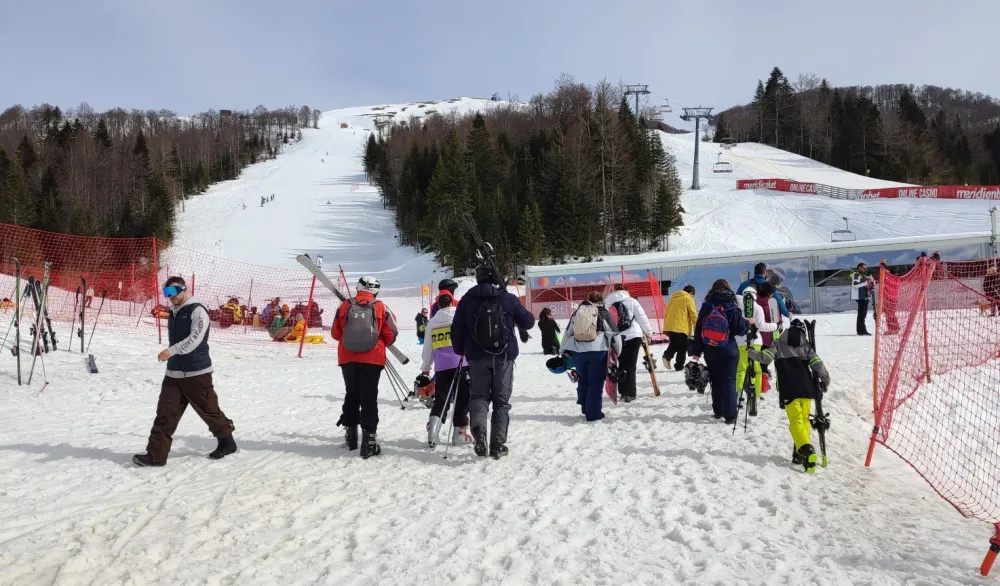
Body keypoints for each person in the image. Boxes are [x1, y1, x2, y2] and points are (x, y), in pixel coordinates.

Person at [133, 277, 236, 467]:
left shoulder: (197, 310)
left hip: (197, 372)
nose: (169, 297)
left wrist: (170, 351)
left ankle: (227, 442)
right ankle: (156, 456)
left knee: (209, 411)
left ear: (183, 289)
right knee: (165, 413)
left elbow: (195, 339)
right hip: (174, 373)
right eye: (166, 293)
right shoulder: (174, 311)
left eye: (172, 292)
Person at [451, 265, 535, 459]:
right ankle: (497, 443)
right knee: (501, 401)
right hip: (504, 356)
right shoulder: (507, 298)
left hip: (476, 357)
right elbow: (529, 322)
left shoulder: (466, 301)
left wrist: (460, 350)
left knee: (479, 396)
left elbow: (456, 330)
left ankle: (479, 431)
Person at [747, 319, 830, 474]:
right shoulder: (806, 346)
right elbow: (818, 365)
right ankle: (802, 455)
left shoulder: (777, 343)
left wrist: (750, 352)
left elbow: (765, 358)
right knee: (804, 420)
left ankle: (806, 449)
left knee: (795, 421)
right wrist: (825, 380)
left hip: (788, 388)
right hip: (807, 389)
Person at [331, 276, 398, 459]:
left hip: (348, 357)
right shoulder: (381, 306)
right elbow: (391, 333)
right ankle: (369, 443)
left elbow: (335, 333)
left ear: (359, 287)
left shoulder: (345, 305)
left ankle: (351, 436)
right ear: (376, 289)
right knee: (369, 397)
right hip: (373, 358)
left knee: (351, 393)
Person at [688, 279, 750, 424]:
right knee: (729, 380)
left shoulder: (707, 306)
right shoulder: (731, 305)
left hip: (710, 350)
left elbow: (698, 331)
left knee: (715, 380)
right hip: (729, 349)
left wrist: (697, 351)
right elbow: (740, 329)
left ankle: (718, 410)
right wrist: (746, 323)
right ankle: (730, 415)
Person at [420, 293, 472, 447]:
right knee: (463, 397)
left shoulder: (433, 321)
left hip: (442, 365)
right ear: (452, 302)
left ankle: (433, 432)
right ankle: (459, 433)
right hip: (462, 362)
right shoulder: (460, 316)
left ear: (438, 305)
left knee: (442, 397)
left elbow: (427, 348)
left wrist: (426, 368)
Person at [560, 291, 620, 421]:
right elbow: (614, 334)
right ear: (601, 300)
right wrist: (618, 350)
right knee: (596, 382)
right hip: (597, 351)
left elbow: (568, 332)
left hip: (578, 352)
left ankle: (584, 405)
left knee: (583, 379)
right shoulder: (603, 313)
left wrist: (562, 350)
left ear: (587, 299)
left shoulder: (578, 313)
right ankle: (593, 414)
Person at [603, 284, 653, 402]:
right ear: (626, 291)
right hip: (633, 336)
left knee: (621, 364)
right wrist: (649, 333)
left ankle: (622, 391)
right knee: (631, 365)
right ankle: (629, 393)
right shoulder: (632, 301)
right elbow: (642, 318)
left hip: (616, 337)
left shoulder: (606, 303)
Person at [735, 282, 780, 403]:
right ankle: (756, 393)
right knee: (756, 368)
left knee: (742, 366)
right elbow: (761, 326)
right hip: (756, 340)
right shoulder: (757, 307)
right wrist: (776, 326)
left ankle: (738, 393)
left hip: (740, 341)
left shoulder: (736, 306)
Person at [663, 285, 698, 371]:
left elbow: (666, 313)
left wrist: (666, 327)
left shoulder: (673, 298)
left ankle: (669, 358)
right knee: (683, 346)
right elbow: (693, 314)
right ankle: (677, 364)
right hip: (681, 326)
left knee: (674, 343)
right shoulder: (688, 298)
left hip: (670, 326)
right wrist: (697, 328)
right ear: (691, 293)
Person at [851, 262, 874, 336]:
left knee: (862, 314)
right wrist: (866, 282)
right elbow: (855, 285)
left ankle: (860, 330)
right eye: (864, 268)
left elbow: (865, 284)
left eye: (865, 268)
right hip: (860, 297)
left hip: (864, 296)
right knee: (862, 314)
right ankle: (862, 330)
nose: (865, 269)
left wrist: (870, 281)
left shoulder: (862, 275)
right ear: (859, 268)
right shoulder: (856, 274)